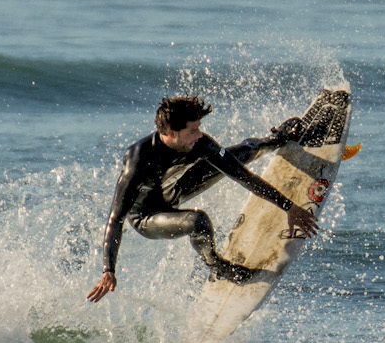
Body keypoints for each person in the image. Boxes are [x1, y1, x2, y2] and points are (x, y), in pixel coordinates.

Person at [86, 95, 318, 303]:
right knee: (198, 222)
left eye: (198, 128)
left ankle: (277, 139)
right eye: (192, 131)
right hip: (147, 217)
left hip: (175, 190)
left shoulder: (200, 143)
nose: (199, 135)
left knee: (241, 154)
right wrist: (109, 270)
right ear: (170, 134)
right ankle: (216, 264)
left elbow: (244, 177)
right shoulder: (138, 160)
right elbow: (116, 218)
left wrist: (288, 207)